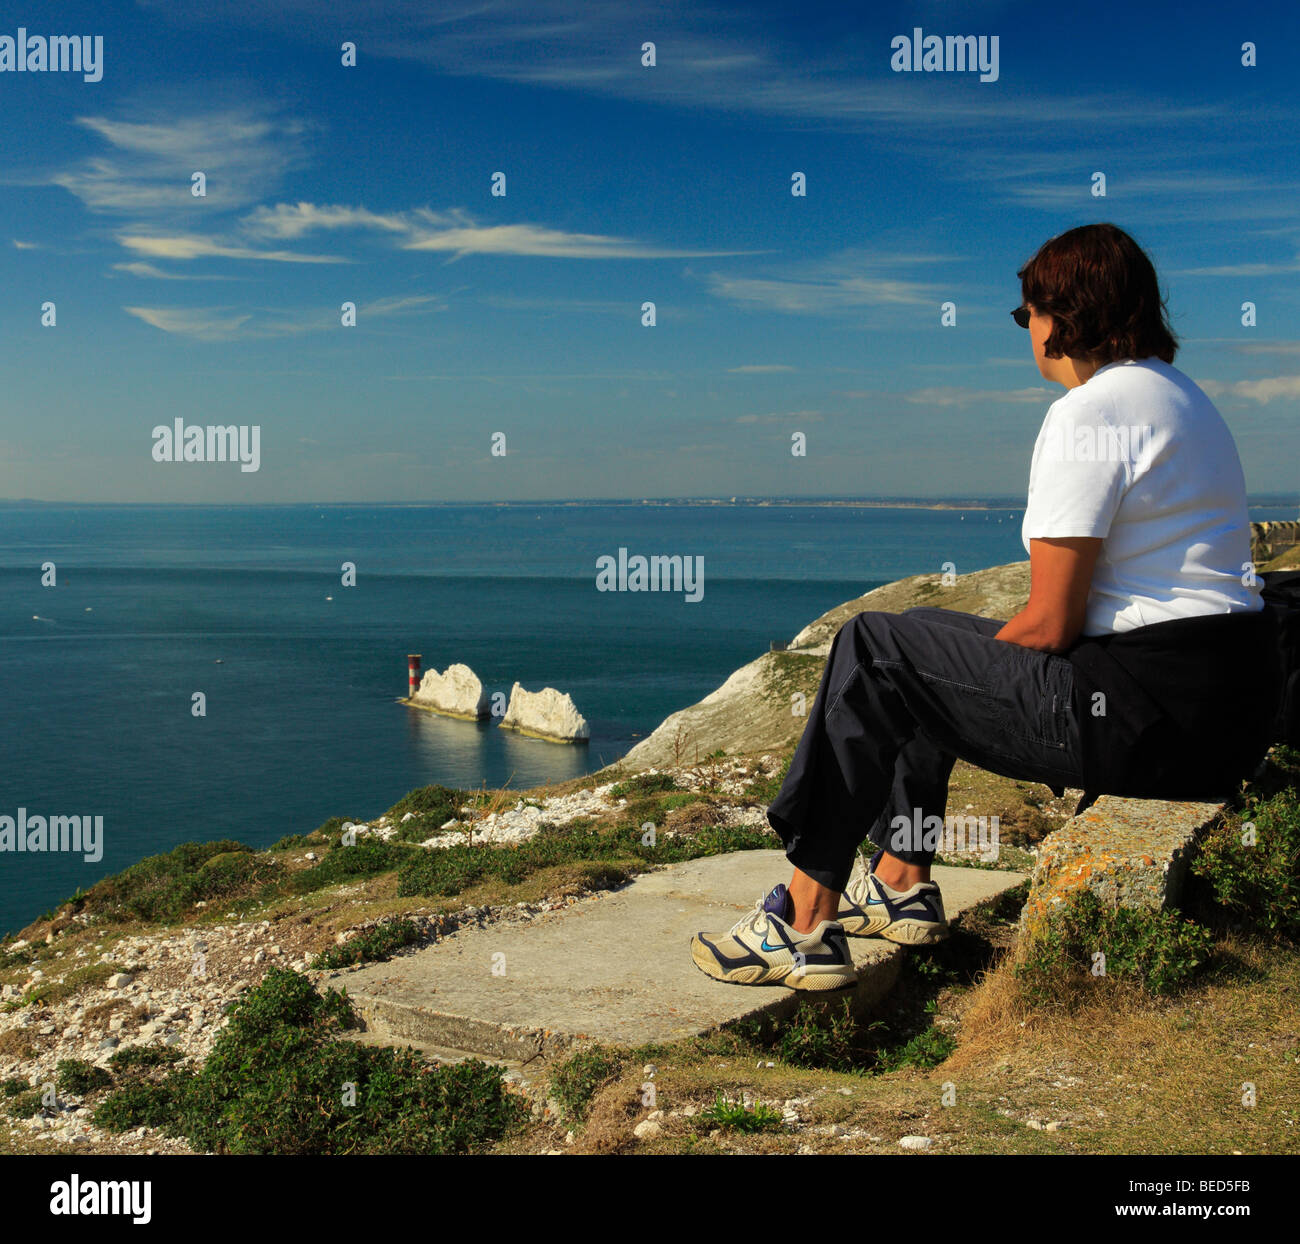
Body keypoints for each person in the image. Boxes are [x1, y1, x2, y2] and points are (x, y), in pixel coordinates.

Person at [690, 222, 1281, 991]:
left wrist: (962, 671)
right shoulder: (1184, 399)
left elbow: (1050, 622)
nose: (1025, 331)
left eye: (1025, 313)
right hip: (1221, 714)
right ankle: (900, 880)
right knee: (920, 638)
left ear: (1060, 316)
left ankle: (801, 922)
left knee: (877, 650)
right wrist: (954, 664)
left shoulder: (1091, 413)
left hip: (1145, 721)